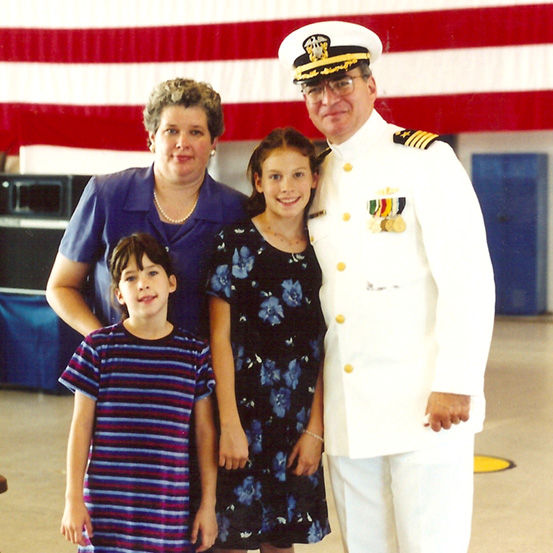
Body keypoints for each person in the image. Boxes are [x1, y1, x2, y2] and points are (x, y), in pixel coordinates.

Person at [278, 21, 496, 553]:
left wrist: (457, 380)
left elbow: (467, 277)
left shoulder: (423, 160)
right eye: (315, 88)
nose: (329, 99)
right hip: (350, 414)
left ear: (371, 85)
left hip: (426, 403)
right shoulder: (314, 175)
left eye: (342, 83)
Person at [46, 77, 247, 340]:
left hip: (195, 375)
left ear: (213, 143)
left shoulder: (237, 210)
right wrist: (107, 344)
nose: (182, 143)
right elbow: (60, 287)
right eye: (171, 130)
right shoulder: (106, 193)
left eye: (196, 132)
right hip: (113, 372)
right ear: (152, 138)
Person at [206, 128, 331, 552]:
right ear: (258, 181)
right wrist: (229, 426)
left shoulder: (326, 249)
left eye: (298, 175)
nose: (287, 187)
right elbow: (219, 341)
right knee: (230, 542)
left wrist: (315, 430)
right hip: (243, 418)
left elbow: (326, 348)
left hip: (296, 422)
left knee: (281, 543)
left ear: (314, 178)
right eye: (275, 176)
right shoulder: (234, 243)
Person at [59, 232, 218, 553]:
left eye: (152, 272)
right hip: (105, 513)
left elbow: (204, 431)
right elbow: (80, 428)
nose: (143, 283)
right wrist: (72, 499)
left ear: (171, 283)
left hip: (166, 514)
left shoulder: (194, 353)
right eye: (131, 277)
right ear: (118, 293)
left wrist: (208, 505)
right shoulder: (97, 348)